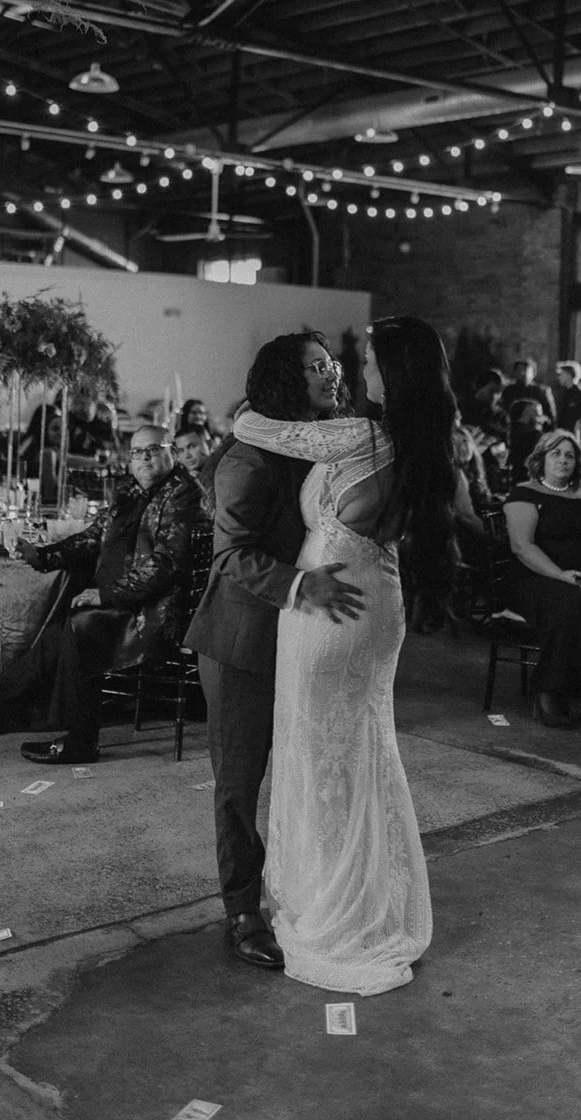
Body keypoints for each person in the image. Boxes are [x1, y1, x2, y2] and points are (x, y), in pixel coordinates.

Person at [231, 315, 457, 995]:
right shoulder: (424, 439)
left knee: (321, 755)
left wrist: (256, 400)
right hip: (373, 599)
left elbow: (252, 426)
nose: (358, 372)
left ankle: (336, 908)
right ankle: (362, 896)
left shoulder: (361, 433)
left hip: (331, 608)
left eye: (370, 361)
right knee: (358, 754)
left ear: (397, 372)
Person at [184, 331, 361, 975]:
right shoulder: (249, 457)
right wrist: (300, 583)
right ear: (287, 379)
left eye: (332, 364)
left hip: (301, 639)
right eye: (316, 367)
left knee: (301, 771)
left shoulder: (312, 443)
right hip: (242, 641)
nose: (331, 374)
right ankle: (241, 912)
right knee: (239, 783)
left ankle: (302, 891)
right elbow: (231, 555)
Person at [0, 425, 205, 763]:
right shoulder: (130, 490)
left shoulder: (183, 493)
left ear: (172, 452)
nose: (144, 459)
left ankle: (80, 742)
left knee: (80, 629)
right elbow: (93, 537)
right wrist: (42, 555)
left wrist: (106, 595)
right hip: (124, 606)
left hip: (155, 613)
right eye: (137, 452)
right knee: (54, 636)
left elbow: (166, 564)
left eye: (153, 450)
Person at [504, 429, 581, 728]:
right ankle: (549, 689)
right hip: (536, 575)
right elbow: (522, 547)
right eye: (556, 453)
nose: (563, 460)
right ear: (542, 458)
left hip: (580, 572)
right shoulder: (524, 493)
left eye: (570, 455)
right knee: (569, 600)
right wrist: (560, 575)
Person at [501, 358, 555, 427]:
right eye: (519, 370)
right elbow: (503, 410)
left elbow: (550, 418)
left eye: (526, 370)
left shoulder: (542, 391)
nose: (522, 373)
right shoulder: (508, 390)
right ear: (514, 372)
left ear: (533, 373)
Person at [555, 361, 581, 434]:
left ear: (569, 375)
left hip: (576, 435)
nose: (559, 377)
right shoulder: (564, 393)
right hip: (563, 433)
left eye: (561, 374)